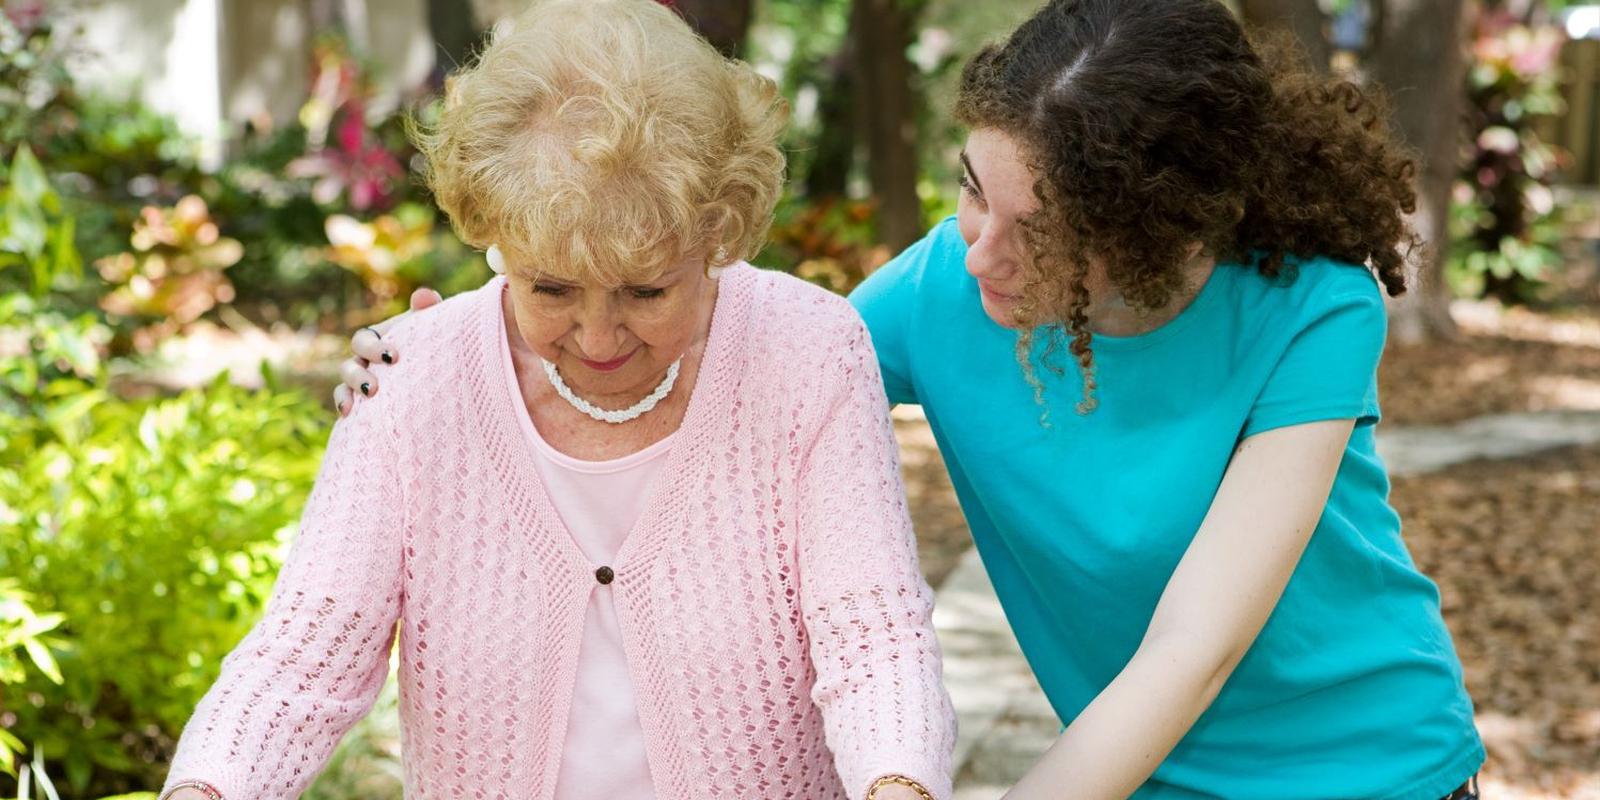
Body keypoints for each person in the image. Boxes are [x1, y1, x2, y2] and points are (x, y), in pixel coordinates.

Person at [338, 0, 1486, 797]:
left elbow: (1191, 649)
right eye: (973, 194)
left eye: (1042, 236)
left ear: (1149, 236)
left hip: (1363, 767)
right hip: (1126, 776)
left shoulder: (1311, 308)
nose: (981, 251)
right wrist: (466, 351)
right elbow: (745, 364)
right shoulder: (944, 284)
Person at [160, 2, 955, 798]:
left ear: (716, 234)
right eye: (551, 286)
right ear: (498, 236)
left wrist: (898, 785)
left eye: (646, 290)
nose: (600, 336)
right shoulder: (411, 381)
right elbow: (303, 658)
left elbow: (872, 634)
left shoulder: (811, 351)